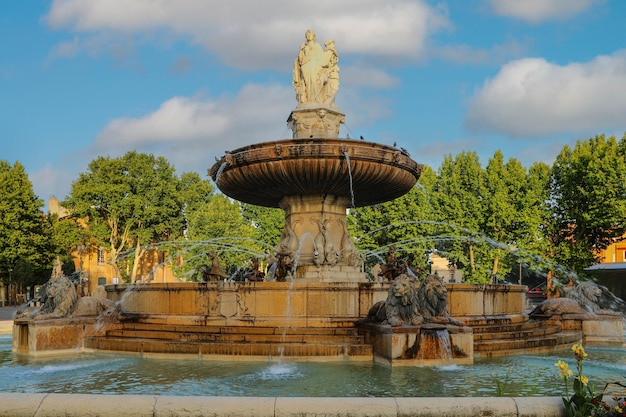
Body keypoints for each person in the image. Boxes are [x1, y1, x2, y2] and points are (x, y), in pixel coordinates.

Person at [293, 29, 324, 105]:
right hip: (306, 66)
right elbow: (300, 59)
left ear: (314, 36)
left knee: (314, 81)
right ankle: (308, 99)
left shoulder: (317, 46)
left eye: (310, 34)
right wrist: (301, 49)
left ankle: (314, 99)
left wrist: (320, 67)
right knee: (306, 82)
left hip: (315, 66)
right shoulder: (304, 47)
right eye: (307, 35)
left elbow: (321, 57)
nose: (309, 36)